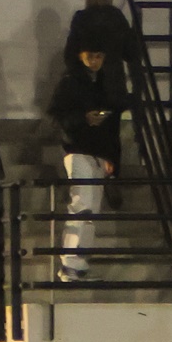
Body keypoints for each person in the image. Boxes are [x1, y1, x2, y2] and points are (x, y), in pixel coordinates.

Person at [46, 34, 127, 281]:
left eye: (99, 57)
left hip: (96, 152)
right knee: (83, 206)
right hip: (78, 150)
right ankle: (71, 264)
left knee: (89, 210)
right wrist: (84, 119)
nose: (95, 61)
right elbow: (56, 117)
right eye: (91, 56)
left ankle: (78, 265)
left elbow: (110, 125)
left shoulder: (99, 83)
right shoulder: (71, 82)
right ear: (81, 56)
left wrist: (110, 157)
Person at [63, 0, 133, 102]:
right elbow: (131, 53)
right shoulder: (117, 17)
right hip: (114, 85)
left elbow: (70, 55)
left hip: (86, 86)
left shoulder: (81, 18)